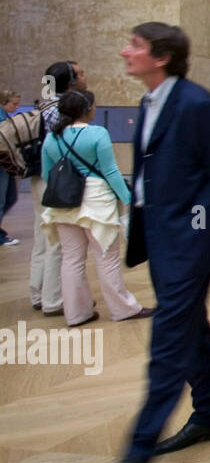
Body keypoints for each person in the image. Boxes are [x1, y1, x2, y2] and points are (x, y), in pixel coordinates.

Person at [100, 23, 210, 463]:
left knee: (167, 337)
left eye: (136, 46)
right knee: (190, 329)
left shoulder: (197, 105)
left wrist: (206, 235)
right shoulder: (150, 102)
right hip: (161, 238)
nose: (126, 51)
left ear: (160, 56)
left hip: (188, 241)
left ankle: (138, 447)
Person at [40, 90, 152, 325]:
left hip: (63, 203)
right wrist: (128, 197)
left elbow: (45, 173)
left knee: (71, 259)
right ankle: (123, 309)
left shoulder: (52, 138)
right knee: (106, 258)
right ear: (86, 109)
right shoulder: (97, 133)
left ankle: (76, 314)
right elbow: (110, 171)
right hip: (96, 201)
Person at [31, 61, 87, 315]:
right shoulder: (58, 108)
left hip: (40, 177)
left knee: (42, 237)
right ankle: (53, 299)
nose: (85, 76)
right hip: (54, 178)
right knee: (56, 241)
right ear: (70, 82)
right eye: (80, 73)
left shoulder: (43, 103)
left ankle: (38, 292)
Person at [0, 89, 21, 246]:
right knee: (2, 200)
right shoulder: (2, 119)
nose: (17, 107)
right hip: (2, 163)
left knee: (10, 197)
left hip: (6, 164)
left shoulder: (5, 118)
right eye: (14, 104)